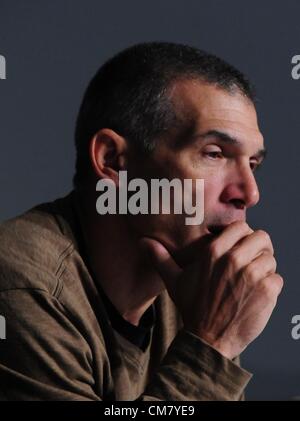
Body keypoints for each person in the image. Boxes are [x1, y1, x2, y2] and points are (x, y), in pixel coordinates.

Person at [0, 42, 283, 401]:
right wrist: (212, 345)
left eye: (253, 164)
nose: (249, 192)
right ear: (114, 161)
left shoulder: (192, 288)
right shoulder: (23, 288)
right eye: (214, 154)